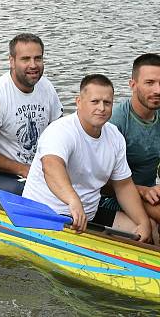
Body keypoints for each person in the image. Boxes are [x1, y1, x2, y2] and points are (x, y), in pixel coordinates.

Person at [22, 74, 152, 242]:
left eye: (107, 103)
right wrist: (73, 201)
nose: (102, 108)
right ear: (78, 102)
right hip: (46, 214)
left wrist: (143, 222)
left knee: (147, 228)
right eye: (95, 101)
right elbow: (52, 167)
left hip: (88, 215)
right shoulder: (60, 131)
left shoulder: (115, 136)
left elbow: (124, 186)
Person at [0, 33, 63, 201]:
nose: (33, 65)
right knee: (37, 194)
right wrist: (23, 169)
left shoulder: (46, 87)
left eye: (38, 58)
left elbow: (59, 133)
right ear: (11, 61)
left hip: (34, 169)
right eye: (25, 59)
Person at [100, 54, 160, 222]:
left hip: (152, 193)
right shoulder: (116, 122)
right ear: (132, 85)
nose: (158, 90)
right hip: (115, 198)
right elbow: (99, 181)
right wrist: (142, 190)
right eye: (150, 83)